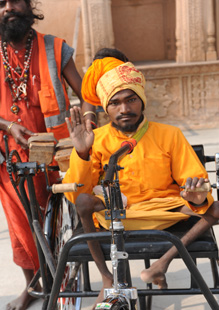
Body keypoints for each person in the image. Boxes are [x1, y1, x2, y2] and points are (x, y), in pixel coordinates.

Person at [63, 57, 219, 308]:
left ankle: (162, 263)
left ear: (142, 101)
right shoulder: (97, 139)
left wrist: (196, 195)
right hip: (114, 214)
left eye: (130, 99)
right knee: (82, 201)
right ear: (106, 108)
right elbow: (75, 194)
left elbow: (197, 187)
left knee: (216, 207)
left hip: (162, 210)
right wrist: (81, 153)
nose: (124, 108)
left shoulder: (170, 134)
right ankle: (106, 279)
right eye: (115, 103)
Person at [0, 1, 95, 309]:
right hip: (10, 157)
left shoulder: (55, 48)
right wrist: (7, 125)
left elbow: (87, 96)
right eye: (2, 3)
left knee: (56, 220)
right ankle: (33, 286)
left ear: (30, 6)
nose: (9, 7)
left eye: (16, 0)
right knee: (21, 226)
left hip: (57, 155)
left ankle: (60, 277)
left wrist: (90, 121)